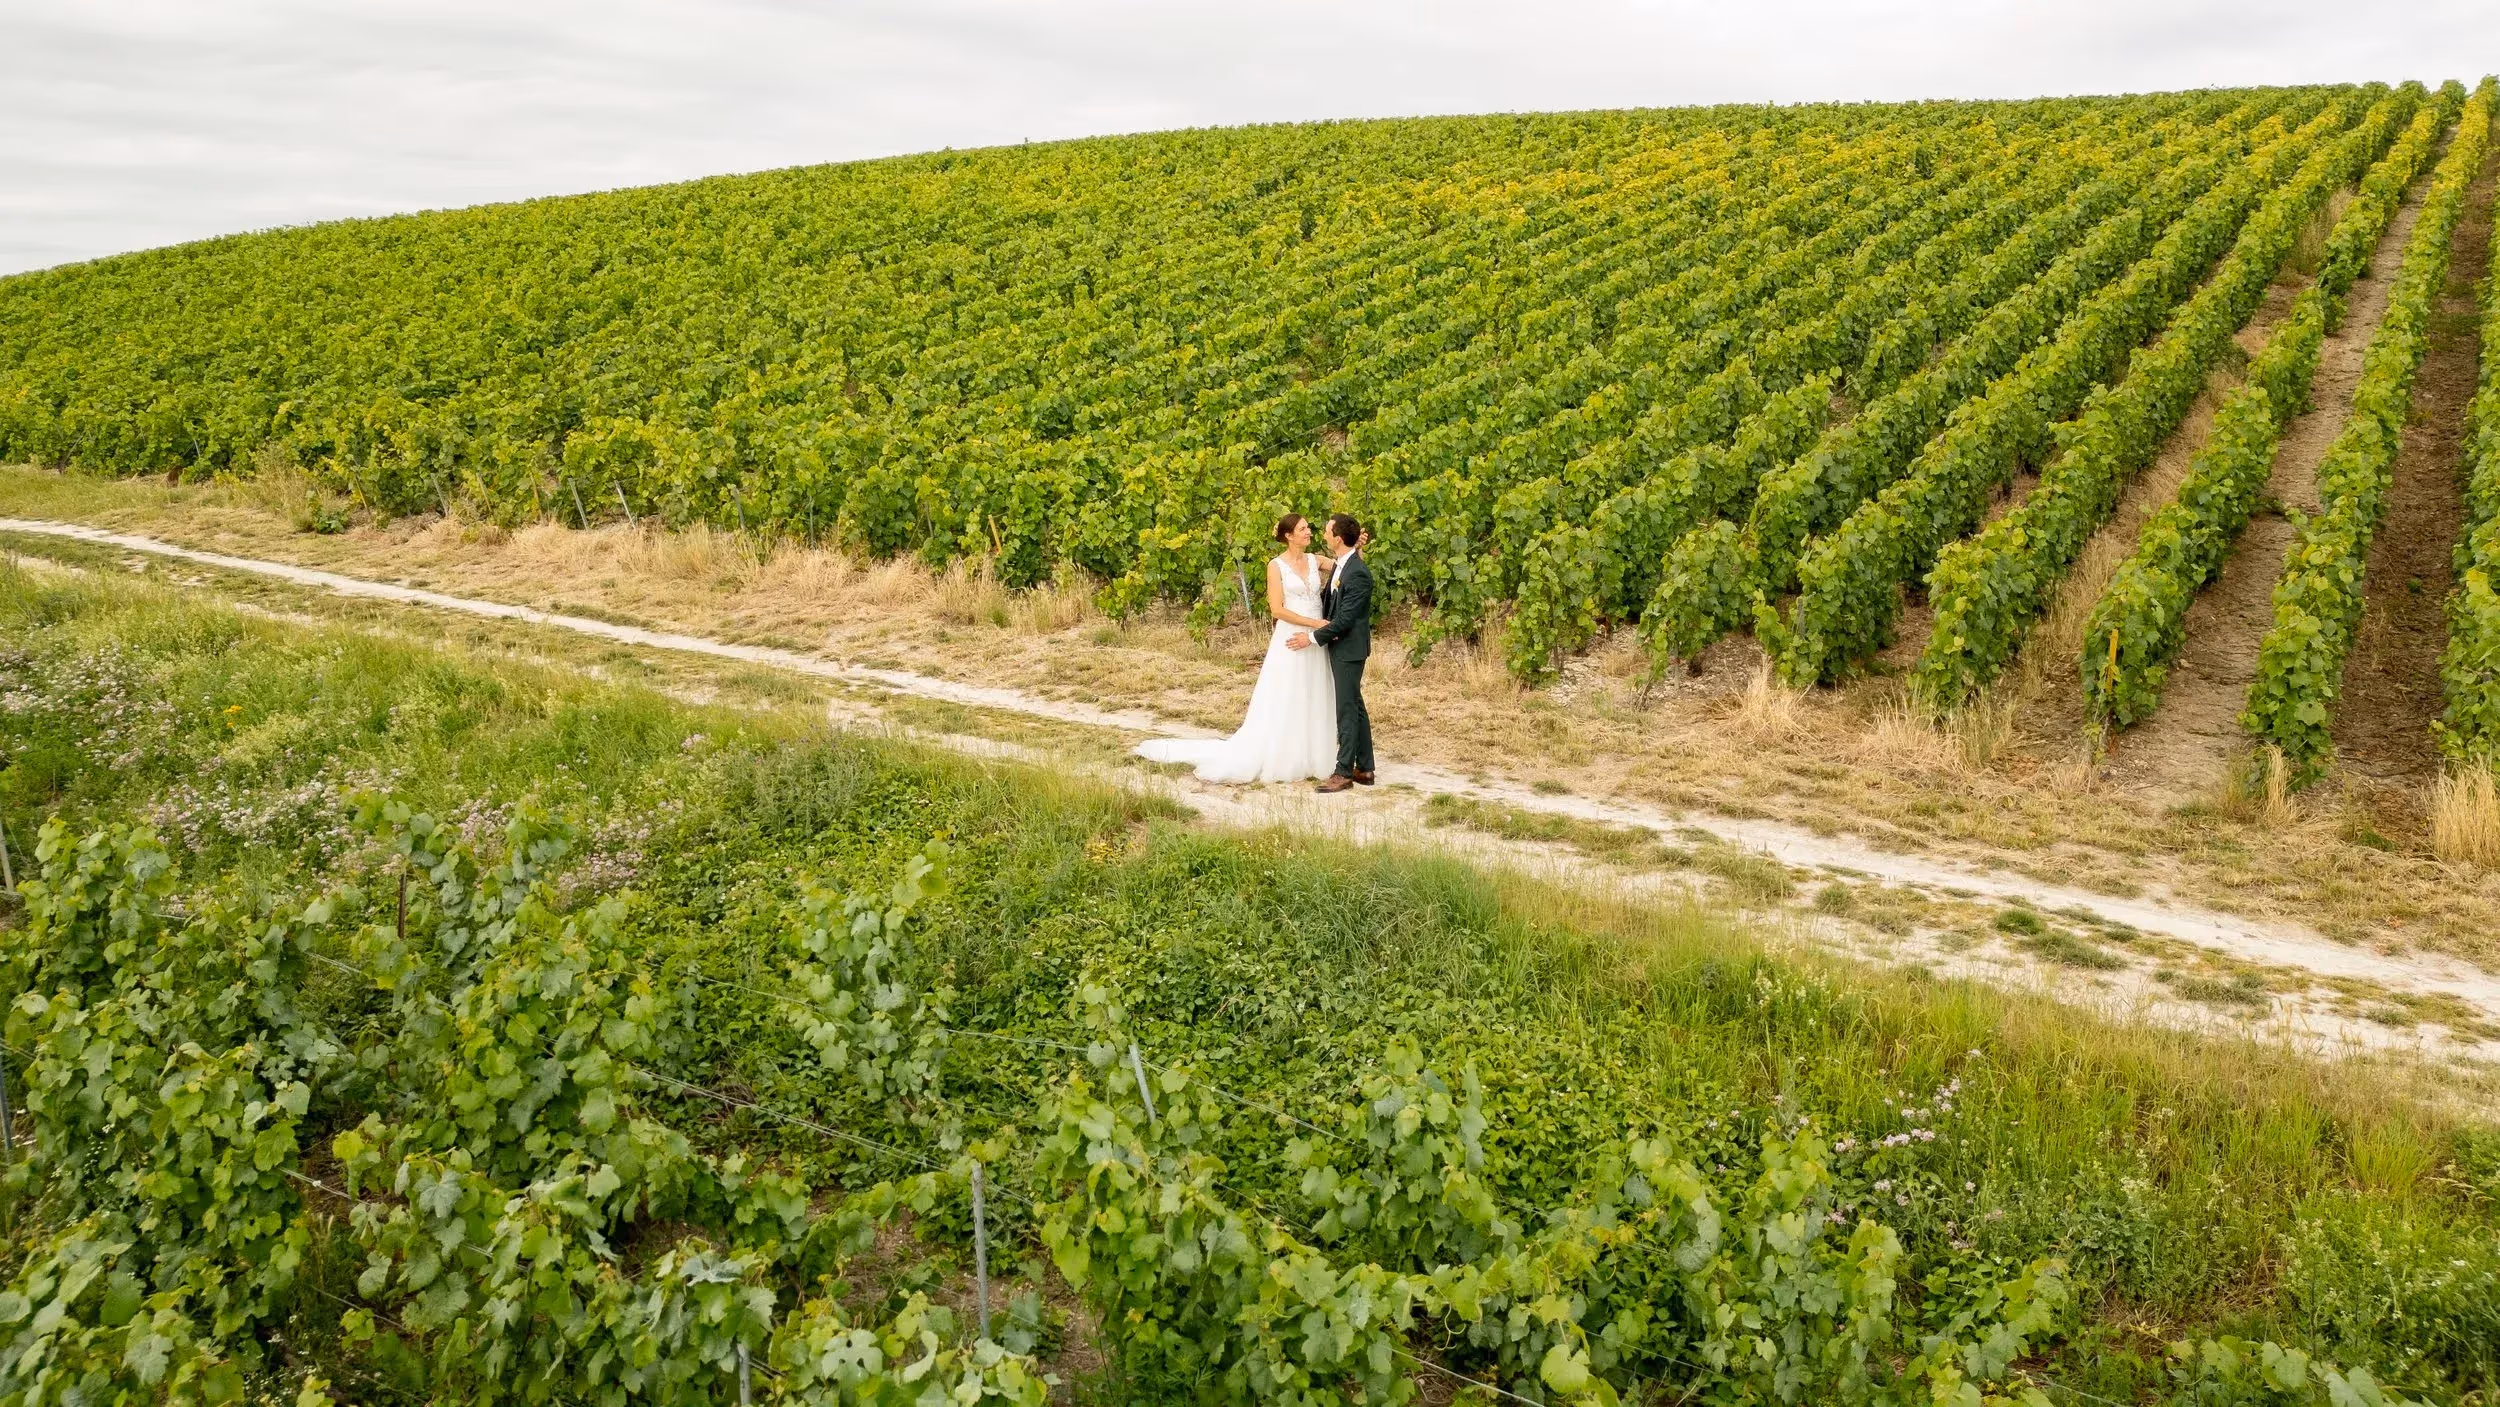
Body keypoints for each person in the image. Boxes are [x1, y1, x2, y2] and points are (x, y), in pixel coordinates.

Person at [1134, 514, 1340, 782]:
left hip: (1315, 637)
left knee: (1314, 690)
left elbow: (1345, 566)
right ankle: (1285, 754)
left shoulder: (1315, 560)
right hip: (1293, 635)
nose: (1308, 532)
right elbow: (1277, 609)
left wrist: (1356, 546)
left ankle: (1314, 752)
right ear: (1289, 535)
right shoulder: (1276, 566)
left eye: (1308, 528)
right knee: (1289, 691)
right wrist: (1316, 623)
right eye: (1302, 529)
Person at [1288, 513, 1373, 792]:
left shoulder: (1357, 572)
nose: (1322, 533)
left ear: (1337, 538)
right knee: (1355, 705)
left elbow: (1345, 619)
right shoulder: (1342, 564)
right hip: (1341, 645)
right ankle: (1366, 767)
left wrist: (1311, 638)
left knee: (1346, 709)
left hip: (1348, 649)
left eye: (1326, 530)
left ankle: (1343, 772)